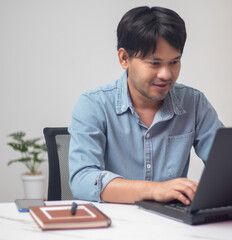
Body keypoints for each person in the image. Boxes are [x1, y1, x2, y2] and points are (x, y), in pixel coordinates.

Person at [68, 6, 223, 205]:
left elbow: (228, 166)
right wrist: (156, 190)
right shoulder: (93, 105)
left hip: (173, 227)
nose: (166, 74)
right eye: (154, 63)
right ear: (124, 58)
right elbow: (82, 180)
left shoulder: (194, 103)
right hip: (115, 227)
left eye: (174, 61)